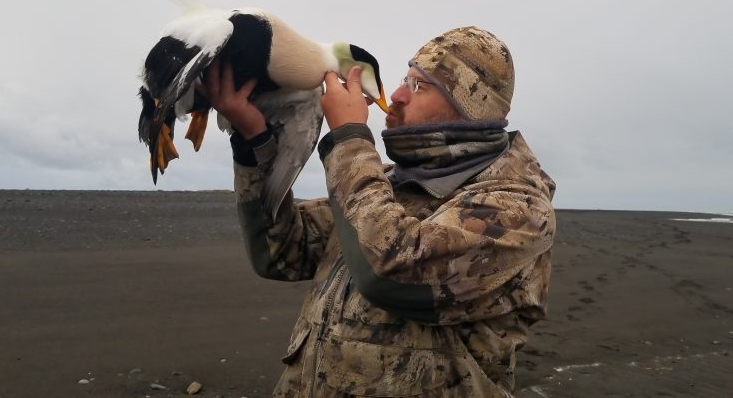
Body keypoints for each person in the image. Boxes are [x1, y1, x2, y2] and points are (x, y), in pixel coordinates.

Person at [201, 26, 556, 397]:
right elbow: (281, 251)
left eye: (419, 86)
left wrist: (350, 136)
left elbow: (392, 271)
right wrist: (253, 140)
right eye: (406, 79)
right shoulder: (387, 186)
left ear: (470, 106)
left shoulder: (520, 211)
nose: (397, 96)